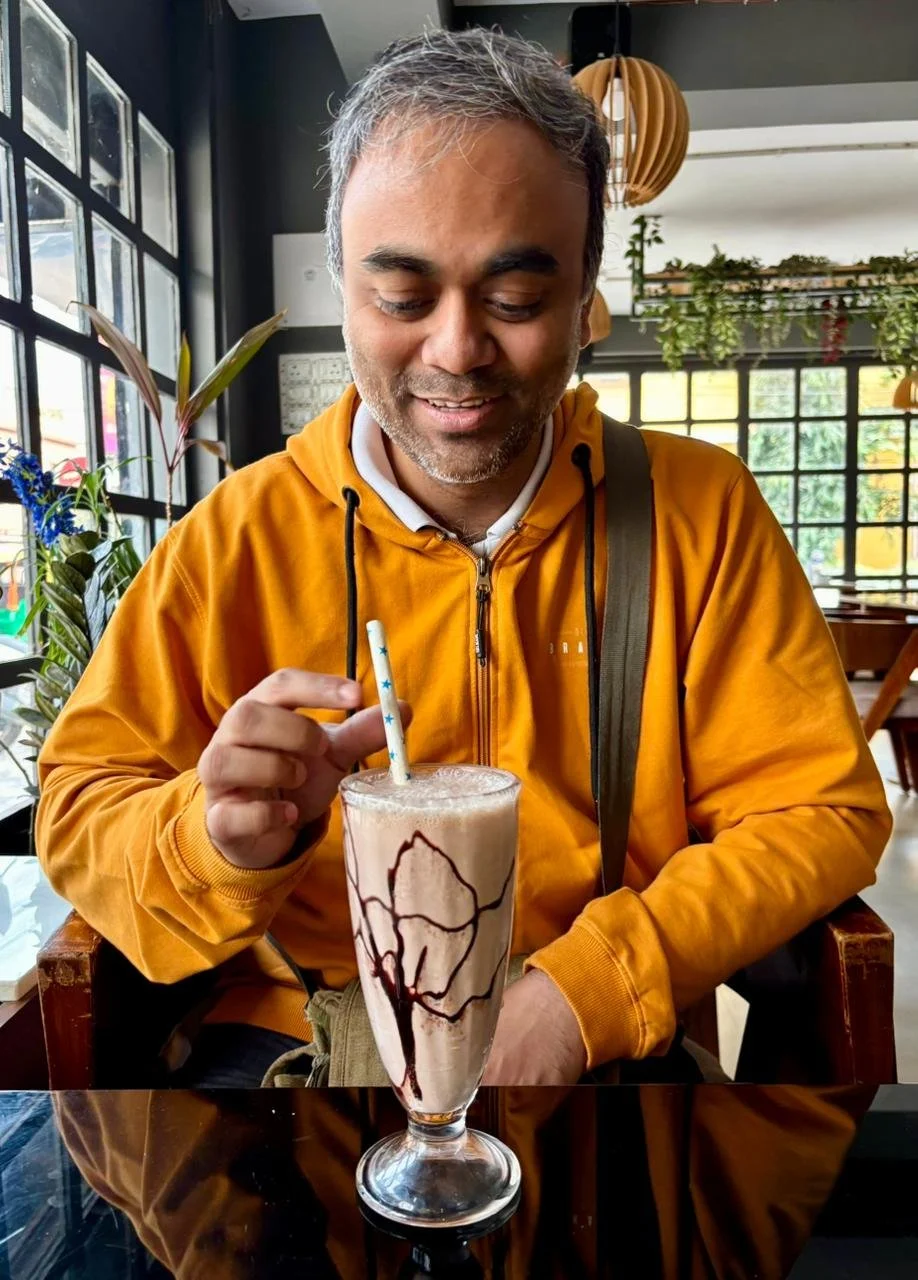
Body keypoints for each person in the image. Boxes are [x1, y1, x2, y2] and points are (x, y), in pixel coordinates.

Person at [36, 28, 890, 1088]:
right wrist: (217, 840)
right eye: (402, 298)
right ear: (342, 287)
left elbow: (822, 808)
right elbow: (79, 804)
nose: (455, 351)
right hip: (299, 1049)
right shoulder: (234, 539)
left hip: (598, 1049)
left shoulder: (698, 514)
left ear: (584, 294)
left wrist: (590, 989)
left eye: (516, 300)